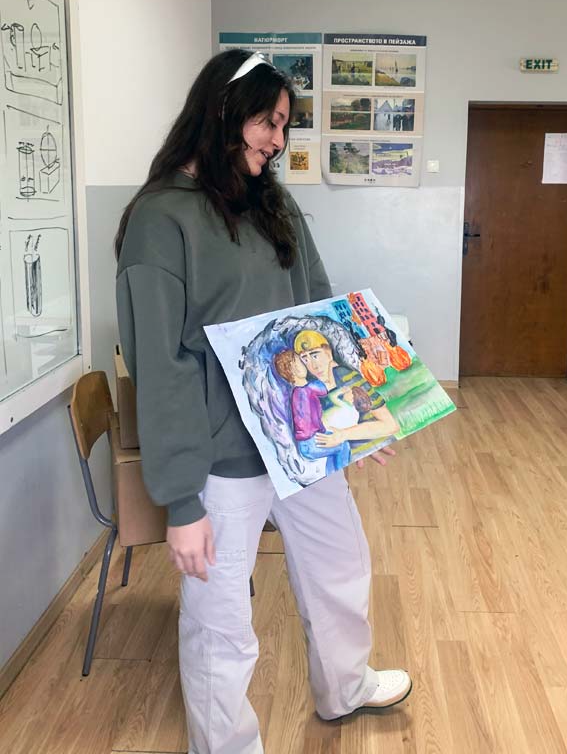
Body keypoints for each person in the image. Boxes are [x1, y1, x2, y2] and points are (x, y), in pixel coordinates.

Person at [115, 49, 411, 754]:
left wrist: (362, 415)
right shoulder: (161, 220)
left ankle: (345, 687)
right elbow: (162, 368)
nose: (277, 141)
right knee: (220, 622)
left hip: (303, 444)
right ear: (223, 109)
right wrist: (180, 503)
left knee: (341, 569)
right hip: (222, 460)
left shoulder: (274, 206)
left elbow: (322, 313)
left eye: (283, 126)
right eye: (267, 123)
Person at [293, 330, 400, 453]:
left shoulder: (346, 376)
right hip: (344, 455)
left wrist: (343, 435)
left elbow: (390, 425)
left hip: (377, 446)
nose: (313, 366)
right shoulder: (313, 389)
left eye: (315, 356)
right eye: (305, 360)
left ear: (328, 352)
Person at [273, 348, 351, 473]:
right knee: (343, 445)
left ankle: (331, 473)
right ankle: (338, 470)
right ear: (295, 369)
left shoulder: (296, 392)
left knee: (334, 448)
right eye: (301, 362)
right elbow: (331, 385)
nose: (305, 364)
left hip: (305, 444)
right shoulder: (309, 388)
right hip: (312, 442)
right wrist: (331, 365)